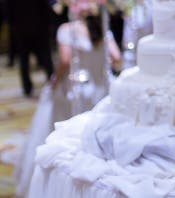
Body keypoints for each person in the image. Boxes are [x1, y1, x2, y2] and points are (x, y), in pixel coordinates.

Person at [14, 13, 121, 196]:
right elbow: (116, 57)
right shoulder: (102, 28)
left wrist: (55, 80)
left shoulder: (66, 30)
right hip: (100, 90)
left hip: (76, 91)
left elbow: (64, 60)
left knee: (63, 139)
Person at [3, 0, 53, 97]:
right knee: (46, 58)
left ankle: (27, 88)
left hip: (20, 31)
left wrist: (13, 28)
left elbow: (7, 13)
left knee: (23, 61)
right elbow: (46, 8)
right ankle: (52, 83)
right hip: (40, 29)